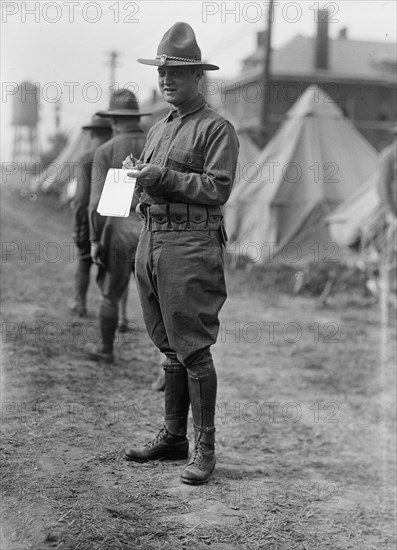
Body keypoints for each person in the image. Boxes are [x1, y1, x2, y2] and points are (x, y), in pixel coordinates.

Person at [123, 22, 239, 485]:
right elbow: (154, 179)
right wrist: (137, 179)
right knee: (166, 344)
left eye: (177, 73)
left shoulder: (217, 129)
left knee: (193, 346)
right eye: (162, 74)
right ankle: (174, 437)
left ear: (198, 79)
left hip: (190, 245)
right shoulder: (158, 129)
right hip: (152, 239)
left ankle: (206, 447)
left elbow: (218, 188)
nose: (166, 80)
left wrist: (162, 179)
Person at [88, 89, 151, 364]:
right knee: (159, 299)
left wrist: (94, 238)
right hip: (153, 228)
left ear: (113, 120)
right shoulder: (156, 142)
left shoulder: (106, 150)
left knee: (110, 293)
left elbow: (98, 204)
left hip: (119, 227)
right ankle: (167, 367)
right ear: (137, 117)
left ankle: (106, 349)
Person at [70, 115, 112, 318]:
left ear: (93, 133)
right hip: (114, 220)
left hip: (89, 217)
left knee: (84, 261)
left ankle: (80, 304)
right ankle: (117, 314)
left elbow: (80, 198)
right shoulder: (118, 154)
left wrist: (78, 225)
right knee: (114, 266)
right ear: (110, 133)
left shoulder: (86, 157)